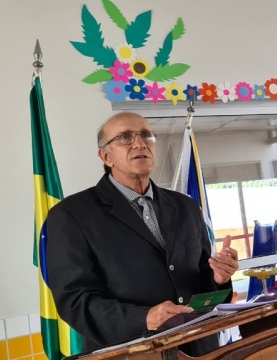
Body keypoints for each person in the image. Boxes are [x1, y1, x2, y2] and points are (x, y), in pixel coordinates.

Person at [45, 112, 238, 356]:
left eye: (147, 135)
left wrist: (219, 278)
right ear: (106, 156)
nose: (140, 143)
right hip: (132, 351)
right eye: (126, 137)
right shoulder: (72, 215)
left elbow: (199, 280)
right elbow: (75, 301)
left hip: (199, 347)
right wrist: (144, 317)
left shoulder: (185, 206)